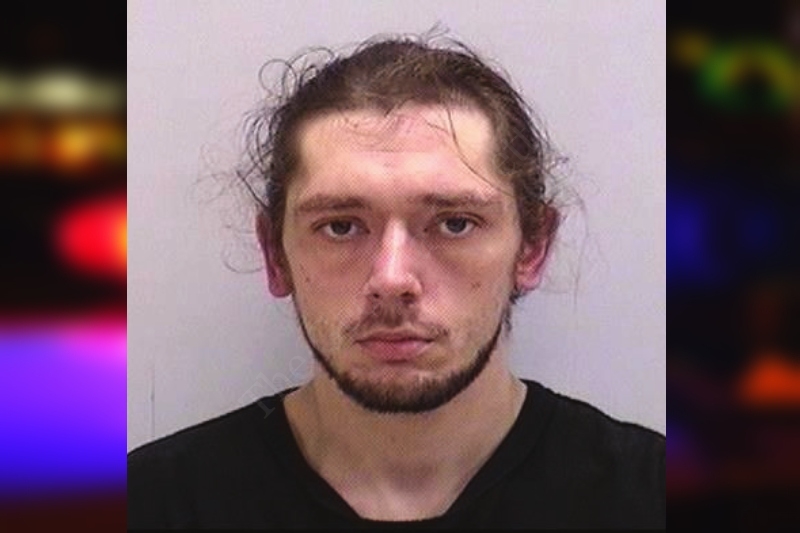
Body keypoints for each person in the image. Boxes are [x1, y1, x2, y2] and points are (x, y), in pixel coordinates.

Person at [127, 34, 665, 529]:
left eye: (455, 223)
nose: (391, 279)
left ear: (533, 247)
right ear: (275, 256)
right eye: (340, 227)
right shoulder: (151, 504)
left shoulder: (648, 500)